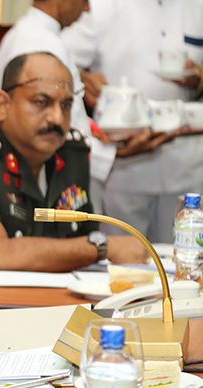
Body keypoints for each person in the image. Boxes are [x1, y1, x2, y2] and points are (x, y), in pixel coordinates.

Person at [0, 53, 147, 316]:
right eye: (41, 102)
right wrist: (103, 248)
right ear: (3, 105)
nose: (57, 118)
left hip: (47, 311)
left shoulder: (72, 152)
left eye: (66, 105)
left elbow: (77, 238)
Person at [61, 0, 203, 243]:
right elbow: (56, 57)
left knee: (183, 256)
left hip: (187, 162)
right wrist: (84, 78)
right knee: (123, 259)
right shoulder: (101, 7)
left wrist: (200, 76)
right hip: (124, 165)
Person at [0, 0, 116, 215]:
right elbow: (64, 131)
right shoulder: (47, 46)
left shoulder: (16, 34)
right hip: (51, 173)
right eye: (85, 0)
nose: (87, 8)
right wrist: (118, 153)